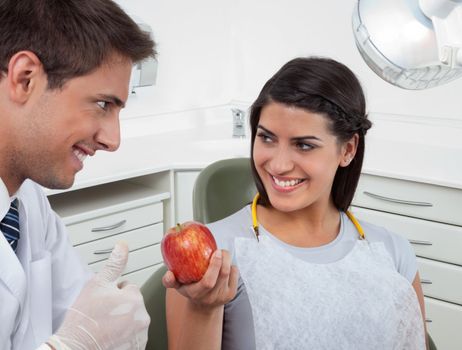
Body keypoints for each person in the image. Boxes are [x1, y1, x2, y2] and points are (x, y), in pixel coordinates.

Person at [163, 57, 429, 349]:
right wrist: (204, 309)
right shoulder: (211, 258)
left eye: (304, 145)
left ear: (348, 150)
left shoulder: (392, 252)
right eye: (266, 138)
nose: (278, 164)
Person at [0, 0, 156, 349]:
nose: (113, 140)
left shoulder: (27, 205)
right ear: (25, 78)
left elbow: (81, 312)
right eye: (103, 104)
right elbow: (79, 337)